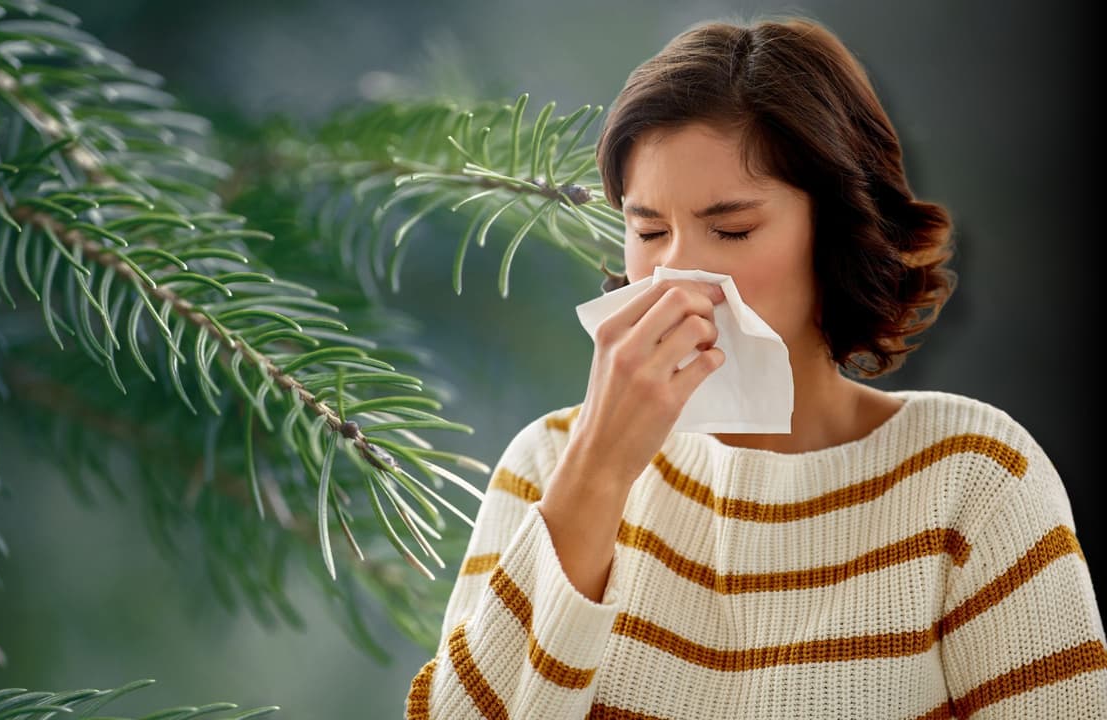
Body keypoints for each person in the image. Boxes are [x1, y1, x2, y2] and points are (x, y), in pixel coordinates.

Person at [405, 14, 1107, 720]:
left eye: (732, 230)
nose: (677, 271)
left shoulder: (973, 479)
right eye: (649, 231)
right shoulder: (548, 466)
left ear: (836, 232)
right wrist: (598, 469)